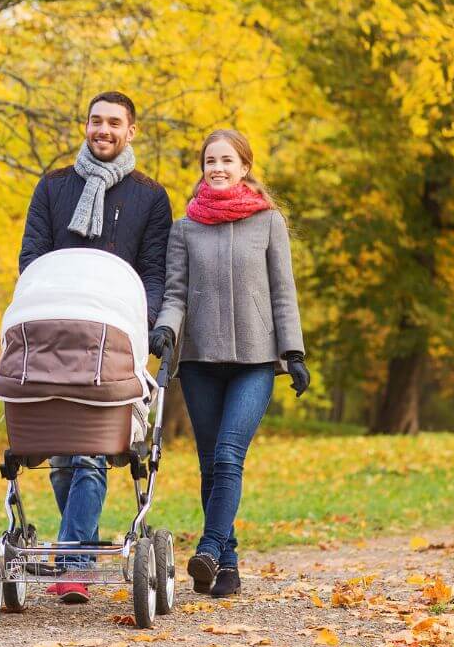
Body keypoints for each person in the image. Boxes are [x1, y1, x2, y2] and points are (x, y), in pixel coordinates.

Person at [18, 90, 173, 604]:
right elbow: (32, 259)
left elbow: (153, 273)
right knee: (63, 460)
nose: (103, 130)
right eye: (95, 121)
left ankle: (74, 562)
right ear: (85, 126)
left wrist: (140, 326)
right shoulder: (54, 186)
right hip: (56, 337)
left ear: (131, 132)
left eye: (114, 123)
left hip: (112, 341)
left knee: (87, 456)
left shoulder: (151, 198)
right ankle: (74, 547)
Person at [149, 128, 310, 597]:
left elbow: (283, 292)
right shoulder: (185, 228)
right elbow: (176, 293)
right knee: (208, 464)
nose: (216, 168)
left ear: (244, 167)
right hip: (199, 360)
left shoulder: (268, 222)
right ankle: (227, 565)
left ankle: (210, 547)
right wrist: (166, 328)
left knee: (227, 456)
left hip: (255, 361)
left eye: (226, 160)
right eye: (209, 161)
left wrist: (293, 352)